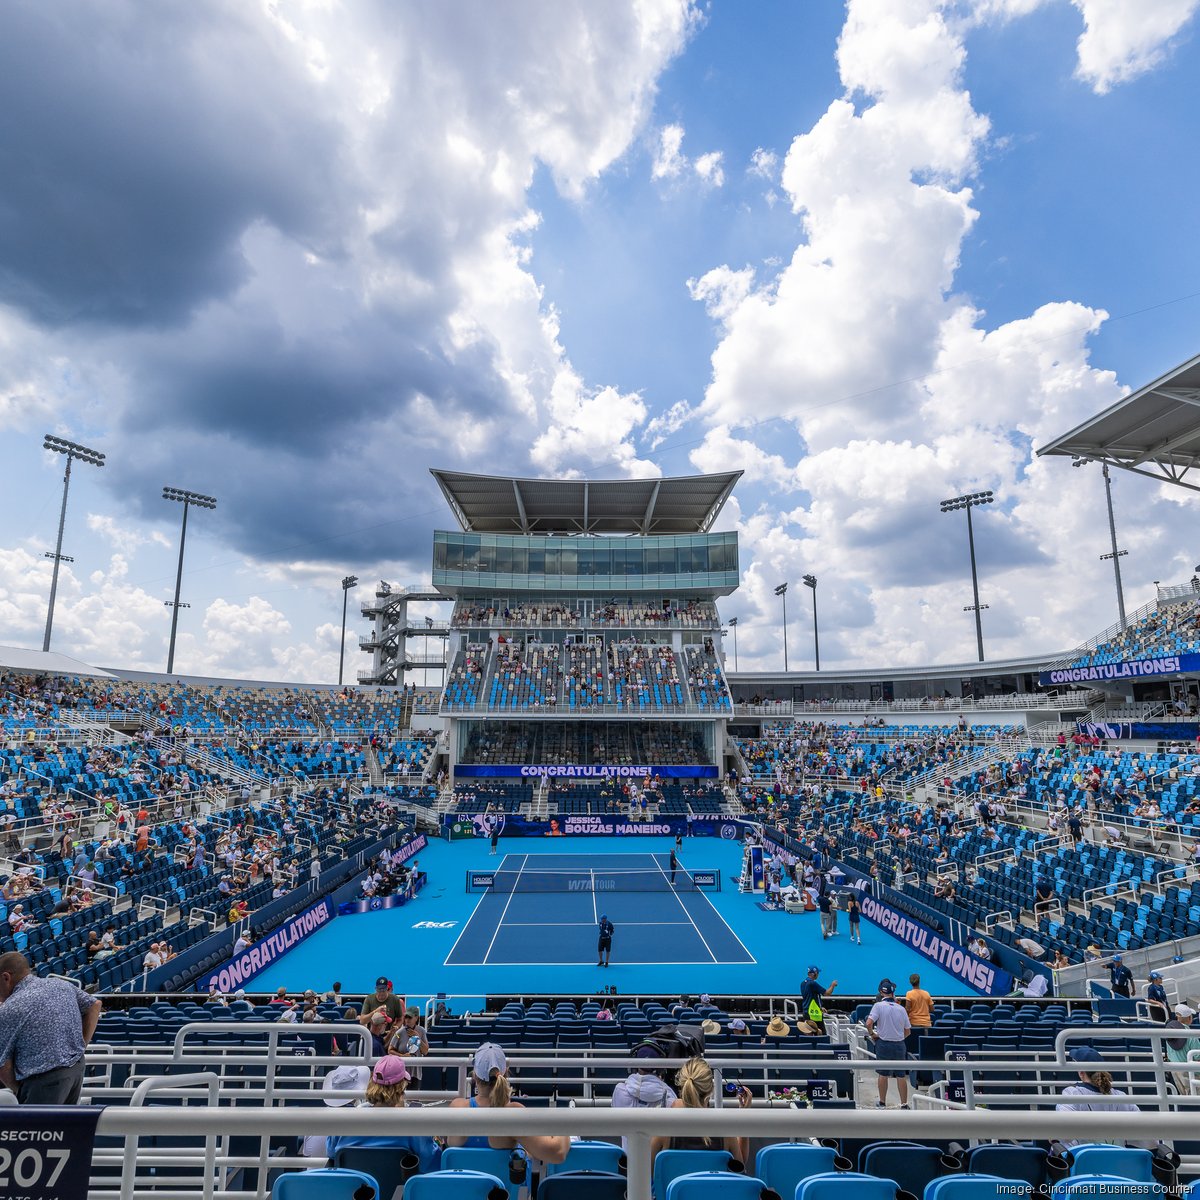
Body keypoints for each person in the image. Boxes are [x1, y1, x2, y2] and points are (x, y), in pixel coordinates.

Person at [0, 952, 102, 1103]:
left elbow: (2, 1064)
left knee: (39, 1120)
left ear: (6, 978)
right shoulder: (60, 984)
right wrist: (81, 1046)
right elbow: (94, 1005)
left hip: (43, 1081)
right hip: (75, 1069)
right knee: (66, 1119)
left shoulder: (10, 1008)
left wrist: (19, 1090)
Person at [446, 1043, 568, 1164]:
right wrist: (565, 1124)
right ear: (506, 1072)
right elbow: (556, 1153)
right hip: (500, 1178)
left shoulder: (457, 1107)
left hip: (456, 1178)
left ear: (474, 1075)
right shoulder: (513, 1114)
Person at [324, 1057, 441, 1173]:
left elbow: (331, 1153)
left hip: (354, 1184)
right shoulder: (414, 1125)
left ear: (372, 1083)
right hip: (399, 1185)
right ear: (402, 1086)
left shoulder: (345, 1120)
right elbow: (429, 1164)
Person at [649, 1056, 749, 1170]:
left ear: (681, 1086)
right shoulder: (725, 1133)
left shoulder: (663, 1131)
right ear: (711, 1089)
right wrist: (744, 1114)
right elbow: (741, 1169)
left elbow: (644, 1173)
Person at [1055, 1045, 1140, 1145]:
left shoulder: (1071, 1093)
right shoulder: (1121, 1096)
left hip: (1085, 1154)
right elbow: (1149, 1141)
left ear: (1081, 1073)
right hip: (1119, 1154)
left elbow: (1064, 1134)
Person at [611, 1039, 678, 1149]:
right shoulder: (669, 1097)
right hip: (657, 1159)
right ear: (660, 1069)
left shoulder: (619, 1090)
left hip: (628, 1157)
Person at [866, 982, 912, 1108]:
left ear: (881, 992)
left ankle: (882, 1102)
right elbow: (908, 1031)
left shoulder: (878, 1006)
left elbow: (868, 1023)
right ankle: (904, 1104)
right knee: (901, 1075)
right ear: (893, 992)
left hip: (883, 1043)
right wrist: (899, 1038)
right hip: (899, 1044)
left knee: (883, 1074)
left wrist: (872, 1034)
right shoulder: (901, 1009)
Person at [800, 966, 837, 1033]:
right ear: (814, 973)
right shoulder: (812, 983)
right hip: (814, 1014)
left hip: (806, 1013)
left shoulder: (803, 983)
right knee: (821, 1034)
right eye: (817, 973)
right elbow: (827, 993)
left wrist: (820, 1007)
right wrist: (832, 985)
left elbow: (810, 998)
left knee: (809, 1034)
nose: (818, 975)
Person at [904, 974, 933, 1049]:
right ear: (919, 981)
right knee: (926, 1047)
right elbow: (932, 1009)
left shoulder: (909, 994)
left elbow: (907, 1009)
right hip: (926, 1024)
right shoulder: (926, 993)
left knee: (913, 1046)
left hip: (913, 1024)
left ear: (910, 982)